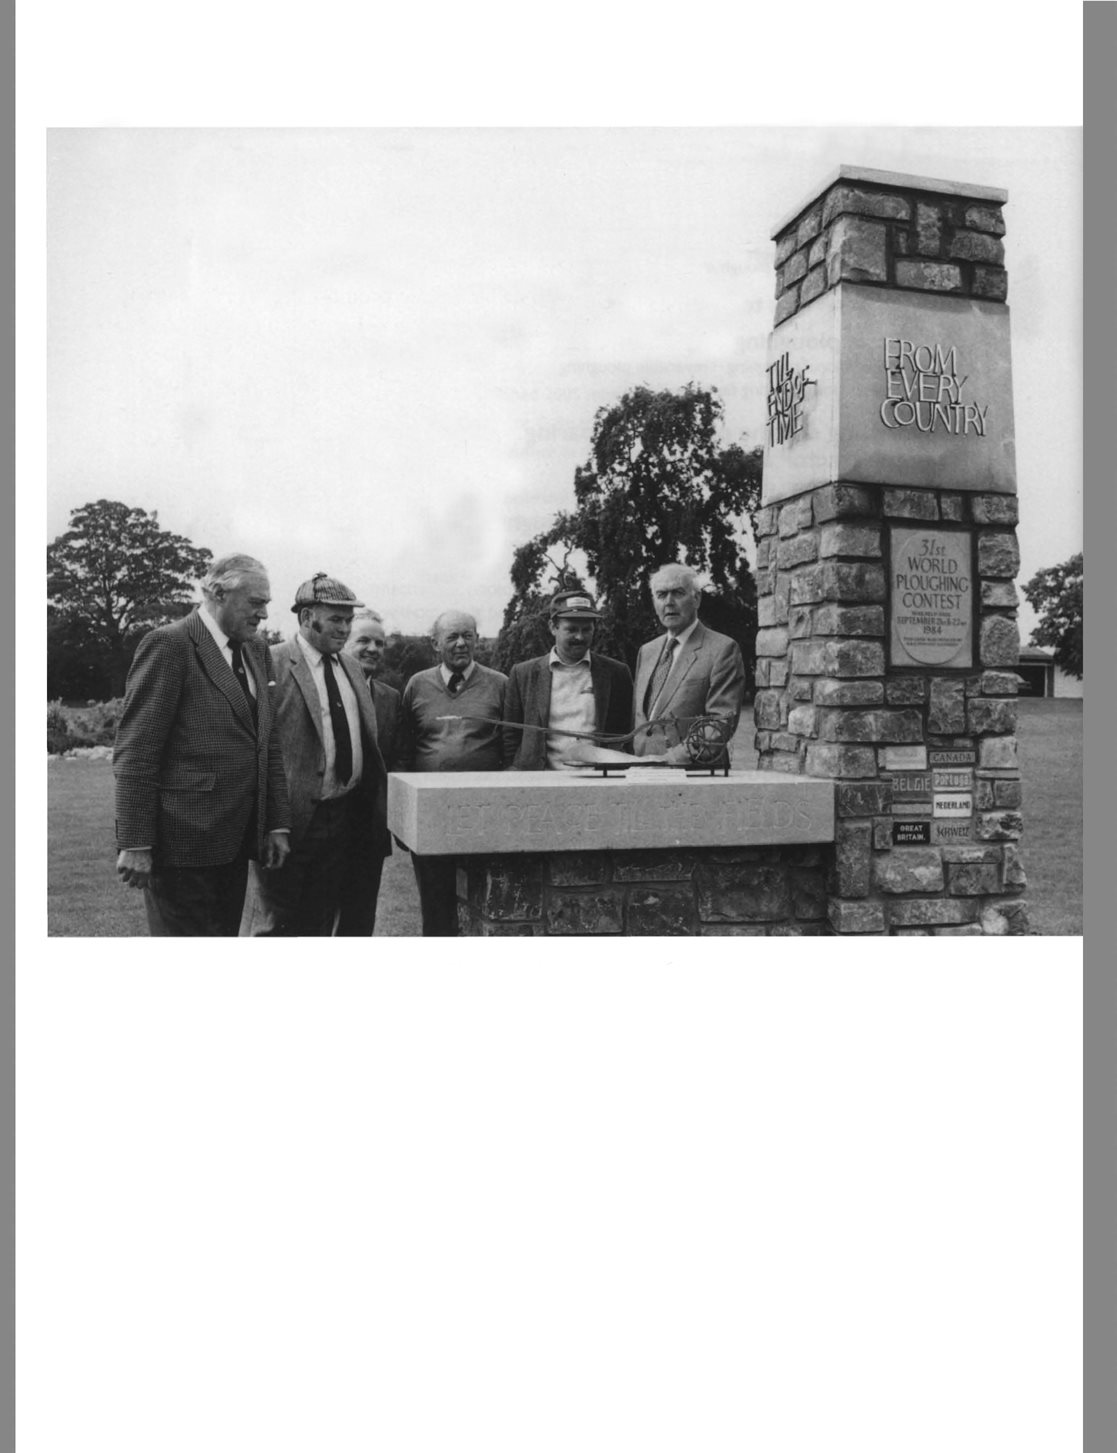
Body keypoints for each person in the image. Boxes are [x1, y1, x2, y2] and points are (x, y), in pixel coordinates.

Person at [113, 553, 291, 936]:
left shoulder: (256, 650)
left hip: (237, 841)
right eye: (255, 602)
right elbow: (136, 753)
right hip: (181, 847)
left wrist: (275, 823)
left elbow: (267, 744)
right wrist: (136, 842)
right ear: (216, 593)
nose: (263, 614)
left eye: (265, 604)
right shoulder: (169, 644)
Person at [241, 574, 387, 937]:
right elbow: (251, 749)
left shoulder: (351, 667)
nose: (345, 629)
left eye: (348, 620)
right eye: (336, 619)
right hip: (288, 825)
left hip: (343, 820)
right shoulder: (267, 662)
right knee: (277, 926)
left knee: (321, 924)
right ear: (307, 618)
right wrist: (270, 823)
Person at [398, 610, 507, 935]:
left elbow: (512, 749)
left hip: (484, 813)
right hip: (432, 815)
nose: (461, 643)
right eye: (452, 637)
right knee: (436, 905)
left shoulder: (500, 684)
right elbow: (404, 752)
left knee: (489, 902)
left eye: (468, 636)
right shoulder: (417, 685)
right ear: (435, 643)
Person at [502, 589, 634, 770]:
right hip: (541, 782)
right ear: (553, 627)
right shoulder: (523, 674)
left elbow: (625, 733)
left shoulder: (616, 673)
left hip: (599, 781)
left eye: (586, 629)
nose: (579, 637)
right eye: (571, 629)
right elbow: (510, 734)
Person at [632, 563, 745, 766]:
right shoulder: (646, 651)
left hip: (695, 777)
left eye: (678, 593)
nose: (669, 602)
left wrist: (670, 760)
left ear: (697, 599)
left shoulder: (722, 649)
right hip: (642, 774)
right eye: (661, 595)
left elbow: (719, 723)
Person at [336, 607, 401, 936]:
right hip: (321, 831)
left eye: (380, 643)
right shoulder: (323, 690)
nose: (373, 649)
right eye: (363, 640)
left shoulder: (391, 699)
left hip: (368, 834)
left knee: (359, 923)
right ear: (344, 643)